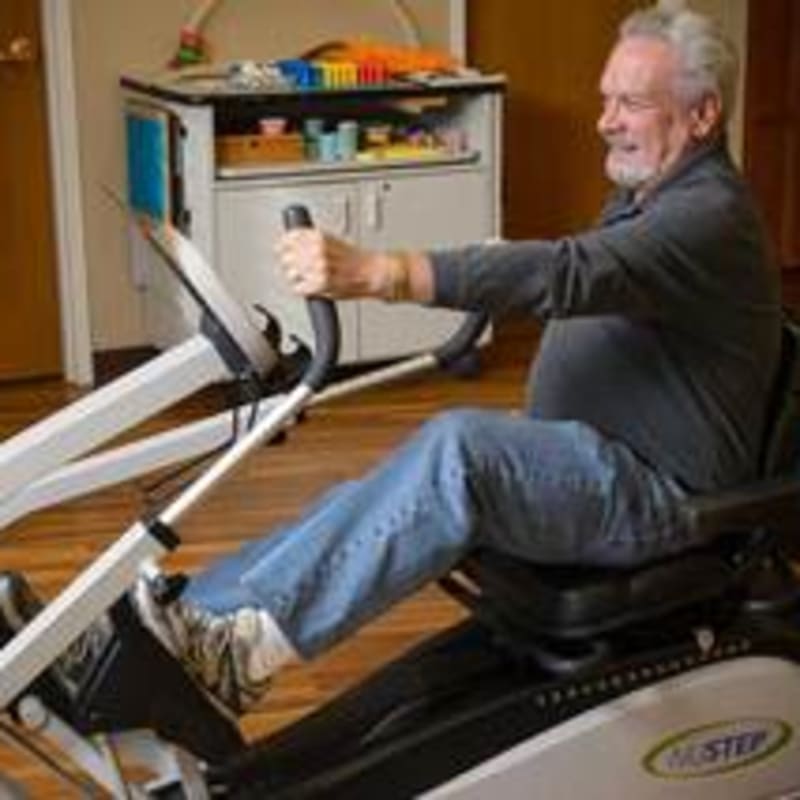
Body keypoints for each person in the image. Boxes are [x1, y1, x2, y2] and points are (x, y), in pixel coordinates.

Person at [109, 4, 787, 717]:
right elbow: (587, 275)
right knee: (387, 478)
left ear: (704, 114)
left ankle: (242, 651)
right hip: (596, 459)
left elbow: (569, 274)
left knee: (459, 453)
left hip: (659, 497)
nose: (605, 121)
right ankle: (194, 622)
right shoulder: (651, 195)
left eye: (632, 103)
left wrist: (383, 273)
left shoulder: (708, 216)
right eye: (605, 99)